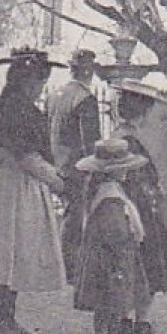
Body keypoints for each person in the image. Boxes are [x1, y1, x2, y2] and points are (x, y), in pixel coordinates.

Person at [0, 47, 68, 334]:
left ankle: (5, 320)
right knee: (13, 252)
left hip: (8, 186)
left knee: (8, 254)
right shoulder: (21, 111)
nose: (40, 88)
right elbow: (27, 157)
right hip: (20, 187)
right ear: (26, 81)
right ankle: (5, 322)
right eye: (38, 81)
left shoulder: (4, 107)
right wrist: (59, 182)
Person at [107, 79, 167, 334]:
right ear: (143, 111)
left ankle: (130, 326)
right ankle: (139, 328)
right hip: (138, 211)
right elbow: (134, 181)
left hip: (135, 208)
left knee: (137, 271)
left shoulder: (121, 135)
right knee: (145, 270)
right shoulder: (128, 140)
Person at [70, 138, 153, 334]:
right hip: (113, 253)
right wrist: (125, 242)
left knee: (107, 297)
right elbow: (114, 227)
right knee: (112, 296)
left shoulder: (103, 189)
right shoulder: (111, 196)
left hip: (105, 251)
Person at [49, 48, 103, 279]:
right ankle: (69, 267)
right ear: (88, 72)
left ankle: (61, 263)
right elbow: (89, 141)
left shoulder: (55, 94)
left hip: (56, 164)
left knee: (63, 214)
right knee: (74, 216)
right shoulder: (86, 99)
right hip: (77, 166)